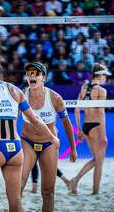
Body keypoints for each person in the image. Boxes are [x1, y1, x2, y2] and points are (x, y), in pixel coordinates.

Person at [0, 51, 59, 212]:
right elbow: (36, 119)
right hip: (16, 149)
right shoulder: (15, 90)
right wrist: (52, 137)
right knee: (15, 201)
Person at [20, 62, 77, 211]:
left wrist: (73, 148)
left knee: (48, 192)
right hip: (27, 142)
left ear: (43, 77)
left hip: (49, 144)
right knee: (17, 187)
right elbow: (12, 120)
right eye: (29, 74)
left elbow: (67, 122)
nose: (32, 76)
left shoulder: (54, 98)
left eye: (36, 74)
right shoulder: (21, 95)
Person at [69, 63, 110, 195]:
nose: (105, 78)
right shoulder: (102, 91)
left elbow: (76, 110)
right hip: (97, 127)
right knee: (99, 162)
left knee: (96, 159)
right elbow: (101, 113)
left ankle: (75, 180)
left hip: (87, 126)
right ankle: (94, 192)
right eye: (105, 76)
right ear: (100, 75)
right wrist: (103, 135)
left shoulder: (84, 87)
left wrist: (80, 129)